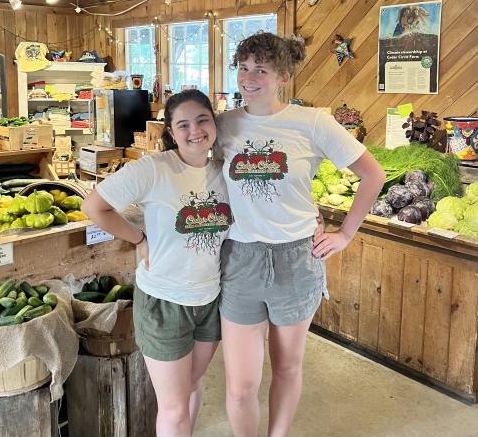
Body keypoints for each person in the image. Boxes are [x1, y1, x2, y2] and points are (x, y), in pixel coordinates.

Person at [215, 32, 386, 437]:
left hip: (296, 259)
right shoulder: (223, 124)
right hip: (239, 258)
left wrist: (346, 233)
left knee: (288, 365)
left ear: (284, 77)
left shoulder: (313, 123)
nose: (249, 77)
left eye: (261, 69)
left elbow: (373, 175)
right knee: (240, 386)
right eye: (243, 68)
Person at [82, 89, 234, 437]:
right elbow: (94, 207)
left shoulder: (224, 172)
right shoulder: (154, 169)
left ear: (214, 122)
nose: (194, 130)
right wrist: (139, 238)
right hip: (164, 301)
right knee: (174, 406)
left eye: (202, 119)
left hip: (210, 299)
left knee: (193, 387)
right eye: (183, 124)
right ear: (170, 131)